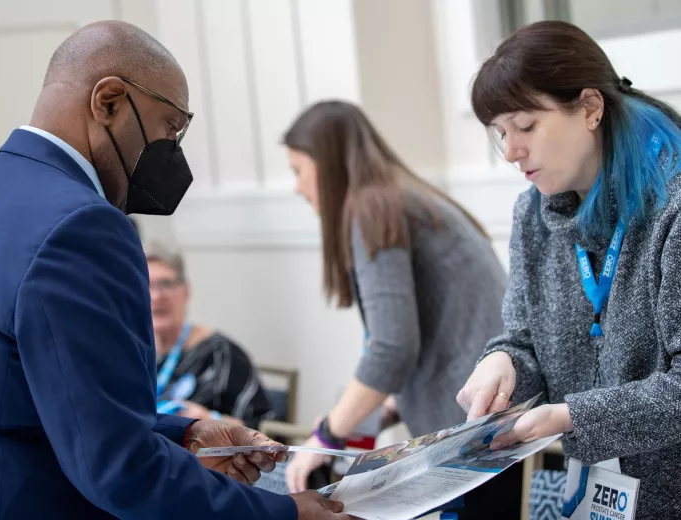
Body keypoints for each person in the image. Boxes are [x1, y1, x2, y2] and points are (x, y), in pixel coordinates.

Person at [0, 21, 351, 520]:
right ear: (108, 101)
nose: (173, 151)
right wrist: (286, 513)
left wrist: (185, 431)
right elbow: (119, 469)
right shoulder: (83, 226)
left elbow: (43, 401)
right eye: (170, 126)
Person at [457, 20, 681, 518]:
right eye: (501, 134)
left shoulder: (674, 209)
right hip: (596, 499)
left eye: (526, 126)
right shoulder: (531, 214)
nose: (512, 152)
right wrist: (502, 362)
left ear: (590, 108)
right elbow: (522, 339)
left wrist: (570, 417)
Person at [281, 101, 508, 496]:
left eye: (299, 171)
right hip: (490, 414)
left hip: (478, 431)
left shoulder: (371, 209)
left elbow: (392, 348)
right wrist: (382, 409)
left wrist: (327, 434)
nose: (296, 187)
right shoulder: (403, 196)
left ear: (328, 164)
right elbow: (440, 326)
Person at [145, 240, 274, 429]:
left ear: (186, 291)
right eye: (146, 285)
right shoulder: (127, 352)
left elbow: (262, 429)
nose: (156, 296)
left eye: (166, 283)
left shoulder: (221, 354)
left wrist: (211, 420)